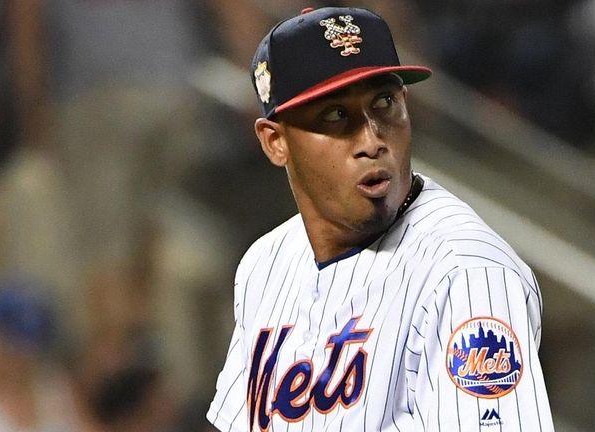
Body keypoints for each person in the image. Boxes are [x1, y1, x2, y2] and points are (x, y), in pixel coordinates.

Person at [207, 6, 554, 431]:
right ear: (275, 141)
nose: (371, 140)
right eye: (335, 116)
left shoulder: (467, 273)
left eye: (385, 103)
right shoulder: (264, 265)